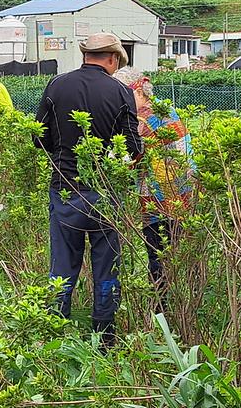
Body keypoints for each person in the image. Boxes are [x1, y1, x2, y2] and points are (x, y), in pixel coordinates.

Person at [34, 32, 142, 349]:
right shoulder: (122, 92)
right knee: (107, 267)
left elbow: (38, 137)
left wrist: (63, 155)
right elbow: (134, 149)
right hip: (105, 194)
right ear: (113, 58)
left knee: (62, 267)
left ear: (85, 55)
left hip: (65, 191)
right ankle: (104, 337)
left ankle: (56, 336)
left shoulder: (57, 85)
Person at [113, 67, 196, 306]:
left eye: (122, 94)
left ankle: (164, 310)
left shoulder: (145, 116)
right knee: (175, 256)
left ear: (139, 90)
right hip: (179, 194)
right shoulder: (162, 109)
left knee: (160, 257)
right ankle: (175, 308)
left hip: (164, 197)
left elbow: (129, 155)